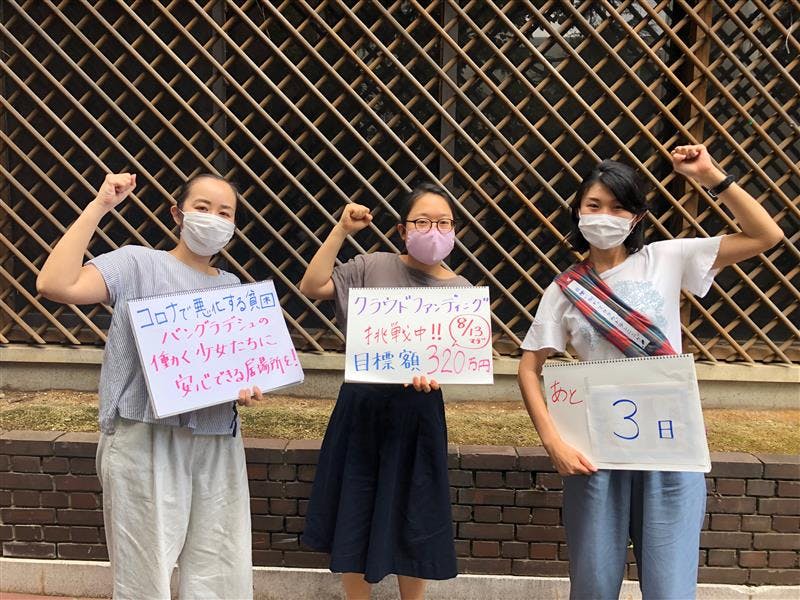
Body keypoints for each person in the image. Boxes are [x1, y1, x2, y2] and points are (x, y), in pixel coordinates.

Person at [517, 145, 783, 599]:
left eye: (618, 207)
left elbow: (765, 235)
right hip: (595, 450)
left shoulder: (666, 258)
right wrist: (553, 443)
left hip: (669, 447)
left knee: (669, 587)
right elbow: (529, 367)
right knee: (593, 584)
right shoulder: (563, 290)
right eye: (594, 205)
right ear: (577, 212)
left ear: (637, 217)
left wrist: (711, 176)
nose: (605, 216)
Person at [36, 172, 258, 599]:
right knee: (144, 574)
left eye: (224, 212)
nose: (213, 219)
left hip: (216, 439)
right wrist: (100, 205)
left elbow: (236, 368)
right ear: (177, 214)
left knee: (221, 569)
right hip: (144, 436)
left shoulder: (232, 289)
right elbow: (55, 284)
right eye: (202, 208)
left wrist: (247, 386)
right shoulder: (137, 263)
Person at [298, 183, 469, 600]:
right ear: (402, 230)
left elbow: (457, 360)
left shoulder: (461, 292)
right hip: (362, 408)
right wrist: (341, 230)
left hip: (419, 413)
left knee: (416, 510)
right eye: (422, 222)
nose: (433, 231)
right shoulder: (371, 266)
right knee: (355, 508)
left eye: (443, 223)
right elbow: (312, 285)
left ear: (454, 230)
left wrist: (437, 376)